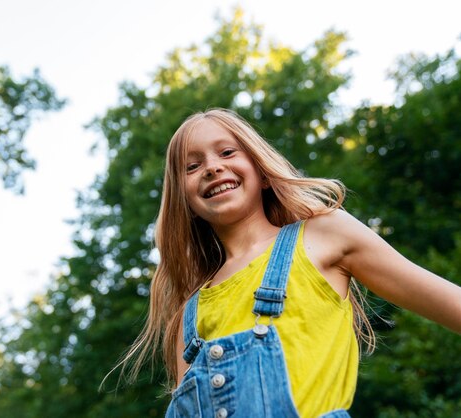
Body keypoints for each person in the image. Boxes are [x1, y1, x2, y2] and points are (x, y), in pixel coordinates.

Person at [114, 108, 461, 417]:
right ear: (185, 201)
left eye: (227, 152)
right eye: (192, 166)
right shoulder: (191, 313)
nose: (213, 167)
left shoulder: (325, 235)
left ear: (262, 172)